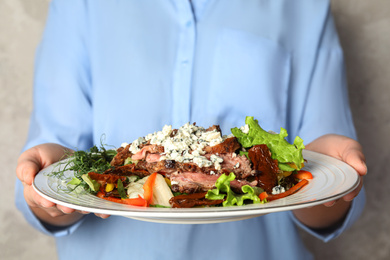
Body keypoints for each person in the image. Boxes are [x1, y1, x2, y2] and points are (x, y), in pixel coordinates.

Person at [15, 0, 366, 259]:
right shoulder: (80, 6)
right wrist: (51, 189)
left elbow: (329, 196)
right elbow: (51, 164)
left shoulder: (305, 7)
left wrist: (324, 179)